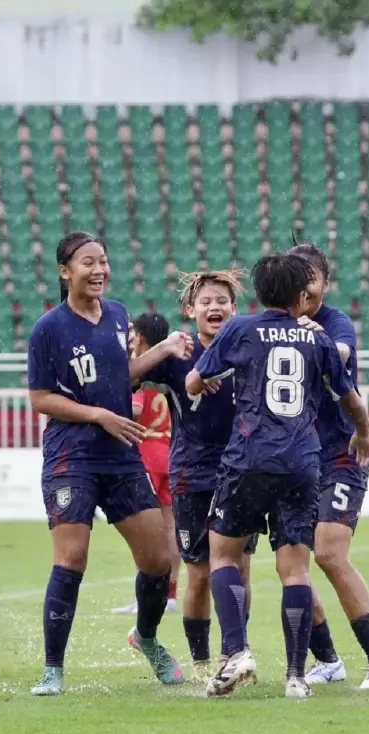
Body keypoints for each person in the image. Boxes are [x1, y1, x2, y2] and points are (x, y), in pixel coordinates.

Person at [186, 252, 369, 699]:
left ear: (256, 293)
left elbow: (195, 380)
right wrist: (364, 434)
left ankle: (237, 652)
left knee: (225, 556)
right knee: (295, 570)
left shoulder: (240, 328)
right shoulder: (317, 338)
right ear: (299, 295)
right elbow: (350, 398)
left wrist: (205, 379)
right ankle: (295, 677)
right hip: (303, 462)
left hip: (248, 458)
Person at [26, 232, 192, 696]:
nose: (98, 270)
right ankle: (53, 669)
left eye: (103, 261)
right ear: (65, 272)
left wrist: (160, 351)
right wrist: (98, 414)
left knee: (159, 561)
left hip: (120, 456)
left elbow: (122, 375)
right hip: (70, 457)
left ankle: (147, 637)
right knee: (72, 557)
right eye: (87, 263)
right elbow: (40, 398)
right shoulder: (49, 329)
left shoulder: (119, 315)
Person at [285, 244, 369, 692]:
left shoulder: (333, 324)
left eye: (310, 277)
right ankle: (328, 659)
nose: (303, 287)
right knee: (292, 562)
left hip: (339, 454)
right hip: (291, 459)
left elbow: (340, 357)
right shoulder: (273, 327)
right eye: (295, 277)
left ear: (325, 283)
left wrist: (308, 338)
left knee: (330, 552)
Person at [129, 269, 256, 675]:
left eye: (222, 301)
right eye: (206, 302)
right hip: (191, 475)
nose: (214, 307)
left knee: (240, 569)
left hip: (241, 473)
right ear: (190, 310)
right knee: (199, 575)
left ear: (234, 309)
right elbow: (126, 378)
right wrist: (163, 349)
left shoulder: (248, 350)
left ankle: (234, 653)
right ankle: (202, 662)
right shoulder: (179, 357)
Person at [113, 312, 183, 616]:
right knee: (171, 526)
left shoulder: (143, 370)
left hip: (148, 453)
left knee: (146, 530)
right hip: (169, 450)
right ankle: (170, 594)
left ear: (139, 337)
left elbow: (136, 410)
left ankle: (146, 595)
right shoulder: (169, 367)